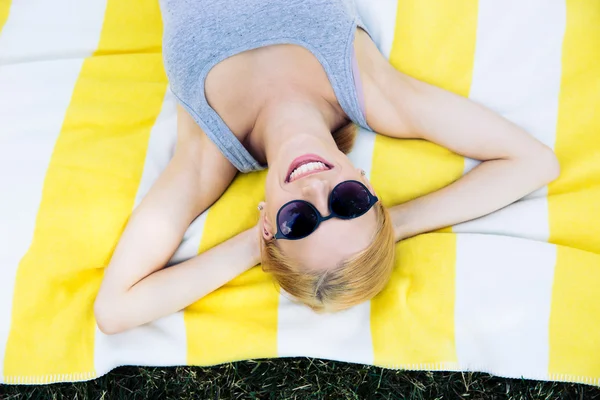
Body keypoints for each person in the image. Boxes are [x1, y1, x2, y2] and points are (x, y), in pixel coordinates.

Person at [94, 0, 559, 334]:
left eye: (298, 222)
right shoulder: (376, 94)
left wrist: (262, 247)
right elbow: (534, 162)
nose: (317, 190)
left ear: (266, 225)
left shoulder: (205, 159)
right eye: (350, 204)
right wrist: (393, 224)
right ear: (365, 183)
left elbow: (114, 310)